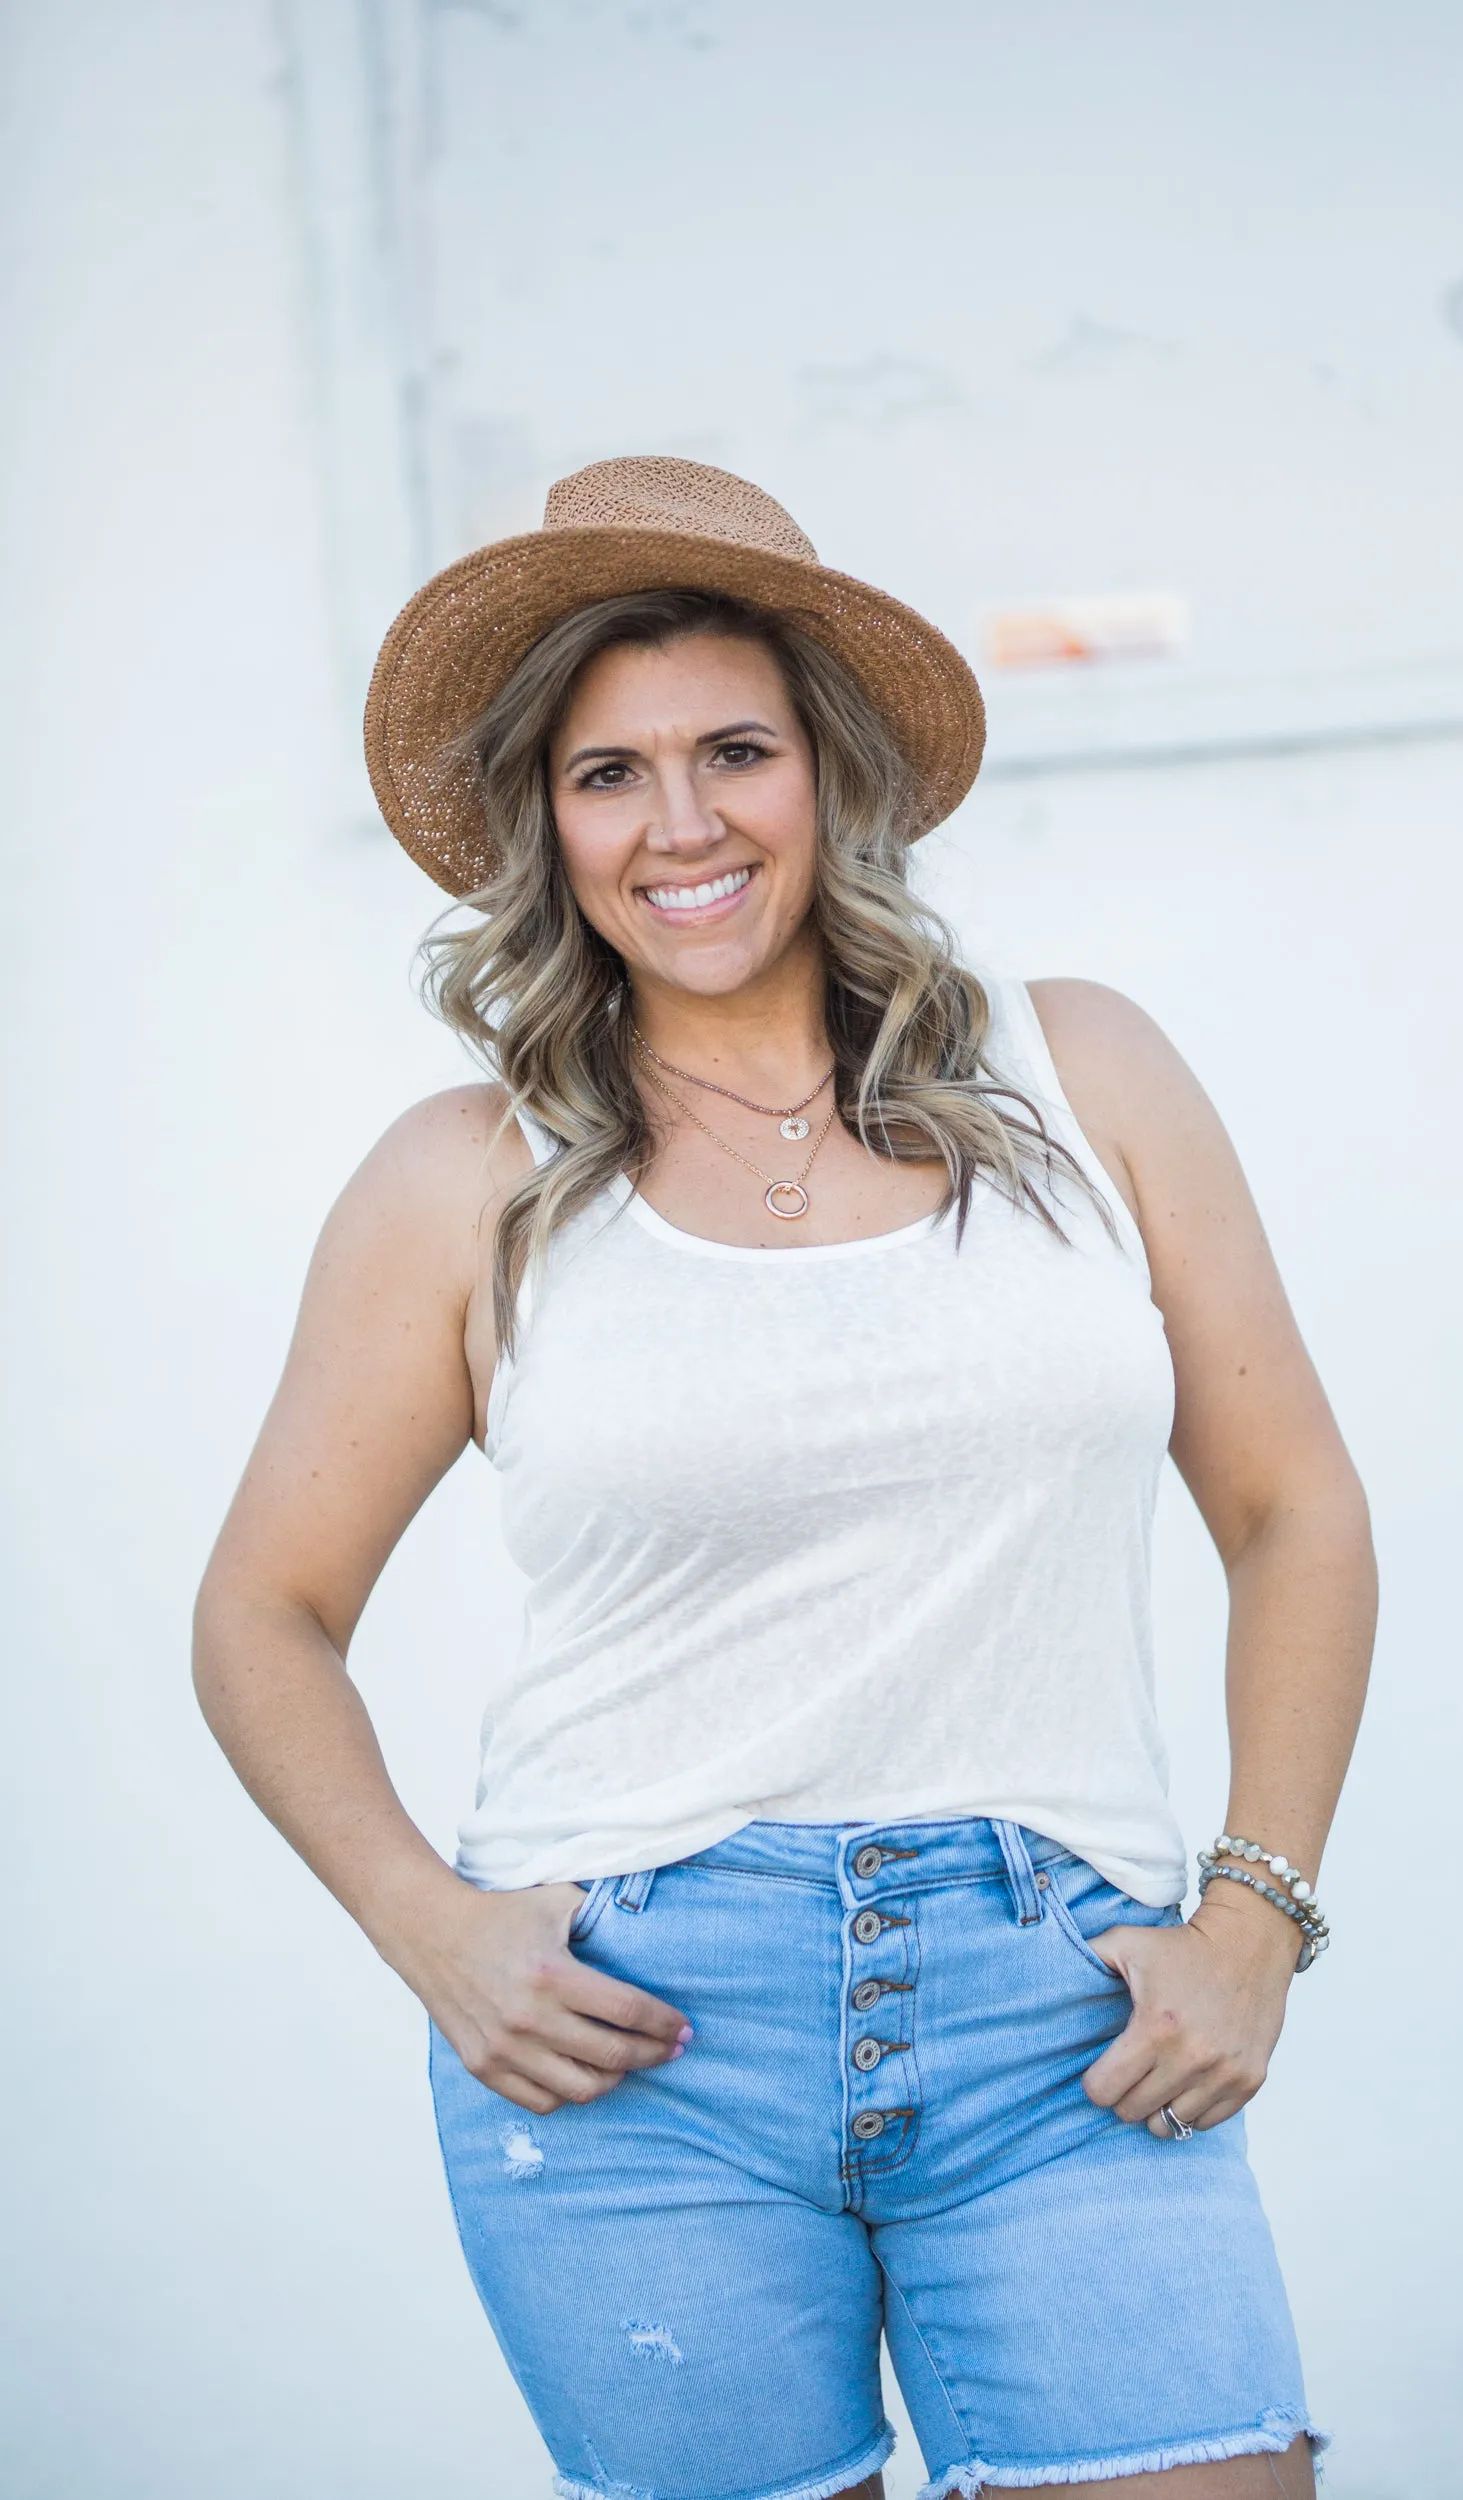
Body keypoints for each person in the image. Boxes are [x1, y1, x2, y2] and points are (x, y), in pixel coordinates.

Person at [194, 458, 1376, 2500]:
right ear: (541, 828)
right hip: (640, 2035)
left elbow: (1294, 1512)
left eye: (731, 749)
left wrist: (1254, 1909)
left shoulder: (1075, 1072)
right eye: (604, 773)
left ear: (825, 773)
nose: (679, 824)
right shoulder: (458, 1182)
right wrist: (426, 1921)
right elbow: (258, 1615)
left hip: (1059, 2009)